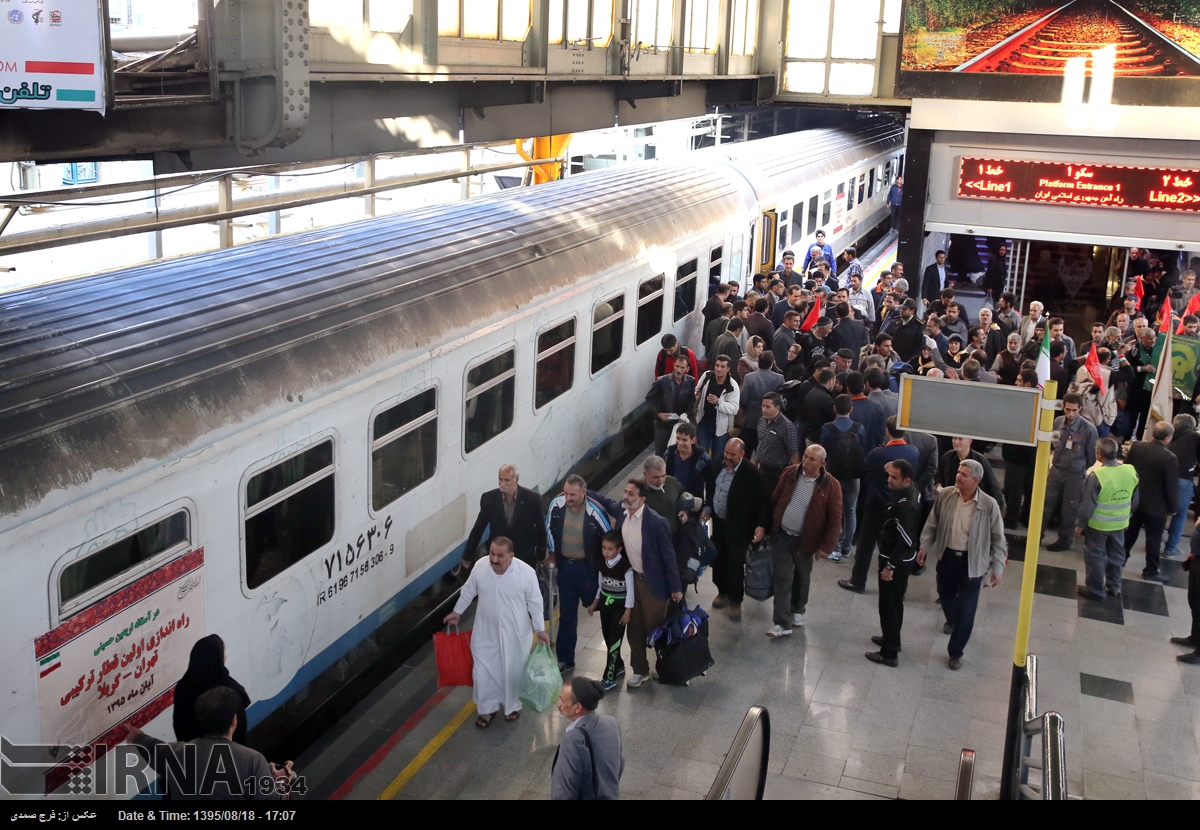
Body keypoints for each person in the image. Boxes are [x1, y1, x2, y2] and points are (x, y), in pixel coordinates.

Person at [446, 538, 548, 725]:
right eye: (492, 553)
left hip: (515, 634)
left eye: (500, 556)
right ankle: (487, 709)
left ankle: (512, 706)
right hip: (485, 631)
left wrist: (540, 629)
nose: (494, 559)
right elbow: (469, 590)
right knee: (483, 671)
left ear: (511, 556)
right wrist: (457, 611)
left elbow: (535, 602)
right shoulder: (480, 566)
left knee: (512, 671)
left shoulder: (526, 572)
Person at [126, 687, 294, 801]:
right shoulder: (252, 760)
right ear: (234, 721)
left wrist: (136, 736)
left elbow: (152, 747)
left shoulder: (175, 753)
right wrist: (280, 782)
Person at [918, 459, 1006, 670]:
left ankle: (955, 652)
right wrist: (924, 545)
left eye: (964, 475)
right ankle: (952, 620)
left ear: (975, 480)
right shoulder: (947, 495)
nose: (958, 476)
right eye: (958, 472)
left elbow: (998, 539)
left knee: (967, 611)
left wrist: (997, 568)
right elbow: (933, 522)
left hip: (973, 564)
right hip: (948, 557)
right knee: (946, 596)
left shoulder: (988, 505)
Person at [608, 479, 683, 686]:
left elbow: (669, 556)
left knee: (656, 628)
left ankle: (666, 666)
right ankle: (640, 670)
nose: (626, 496)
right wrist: (583, 493)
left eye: (631, 494)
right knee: (634, 628)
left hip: (654, 585)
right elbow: (606, 502)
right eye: (625, 492)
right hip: (633, 582)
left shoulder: (656, 522)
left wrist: (675, 588)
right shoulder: (623, 516)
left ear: (642, 499)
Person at [765, 445, 843, 637]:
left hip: (806, 541)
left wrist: (826, 547)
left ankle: (798, 610)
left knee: (802, 576)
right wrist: (768, 526)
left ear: (822, 463)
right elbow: (776, 499)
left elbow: (835, 520)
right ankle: (782, 623)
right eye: (805, 457)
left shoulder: (831, 486)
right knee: (783, 578)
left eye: (811, 459)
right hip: (783, 535)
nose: (806, 462)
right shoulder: (790, 473)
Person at [839, 417, 920, 594]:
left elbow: (863, 466)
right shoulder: (913, 451)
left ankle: (858, 581)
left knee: (866, 545)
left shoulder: (879, 453)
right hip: (899, 505)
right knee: (898, 544)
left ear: (887, 432)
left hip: (877, 504)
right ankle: (900, 586)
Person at [546, 475, 617, 672]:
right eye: (566, 493)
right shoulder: (556, 506)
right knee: (567, 615)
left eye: (572, 495)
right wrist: (552, 553)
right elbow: (549, 528)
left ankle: (615, 660)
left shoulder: (595, 512)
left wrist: (608, 567)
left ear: (583, 493)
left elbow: (609, 536)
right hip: (566, 570)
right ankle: (565, 659)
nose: (567, 498)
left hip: (588, 571)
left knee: (606, 613)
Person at [705, 438, 768, 622]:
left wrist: (761, 525)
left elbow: (763, 503)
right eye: (726, 452)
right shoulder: (719, 464)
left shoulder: (752, 474)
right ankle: (722, 592)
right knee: (718, 559)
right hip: (719, 524)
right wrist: (709, 507)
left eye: (732, 454)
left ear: (742, 454)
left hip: (739, 528)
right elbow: (711, 488)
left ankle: (735, 601)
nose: (728, 456)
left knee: (734, 564)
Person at [866, 460, 921, 667]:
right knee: (895, 603)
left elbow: (904, 540)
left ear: (906, 480)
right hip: (900, 559)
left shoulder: (906, 506)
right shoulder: (911, 490)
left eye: (893, 477)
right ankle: (892, 640)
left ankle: (888, 654)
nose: (889, 480)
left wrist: (890, 566)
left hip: (895, 561)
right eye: (889, 475)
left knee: (889, 606)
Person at [1075, 438, 1139, 601]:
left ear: (1099, 454)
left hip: (1098, 525)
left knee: (1095, 556)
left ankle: (1096, 590)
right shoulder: (1130, 470)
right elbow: (1135, 499)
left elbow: (1088, 503)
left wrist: (1080, 524)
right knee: (1117, 555)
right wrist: (1126, 514)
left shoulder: (1097, 476)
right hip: (1120, 524)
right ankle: (1114, 586)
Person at [551, 677, 624, 800]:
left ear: (578, 708)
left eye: (562, 700)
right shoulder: (611, 723)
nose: (558, 703)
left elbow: (564, 789)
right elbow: (619, 763)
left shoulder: (572, 740)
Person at [1124, 421, 1179, 582]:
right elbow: (1171, 485)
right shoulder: (1169, 458)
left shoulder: (1137, 447)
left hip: (1136, 500)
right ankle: (1151, 570)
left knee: (1130, 532)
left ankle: (1119, 559)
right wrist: (1172, 507)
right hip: (1157, 507)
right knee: (1154, 539)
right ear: (1168, 438)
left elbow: (1127, 469)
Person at [1044, 394, 1100, 551]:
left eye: (1074, 410)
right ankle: (1038, 534)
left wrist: (1079, 468)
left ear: (1080, 409)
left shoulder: (1089, 429)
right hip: (1056, 470)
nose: (1070, 414)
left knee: (1070, 509)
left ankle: (1065, 540)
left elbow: (1091, 457)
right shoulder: (1058, 422)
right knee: (1046, 504)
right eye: (1067, 409)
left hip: (1075, 475)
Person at [463, 464, 546, 568]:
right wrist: (467, 555)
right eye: (500, 479)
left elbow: (541, 529)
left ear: (516, 479)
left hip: (524, 558)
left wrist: (540, 555)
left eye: (507, 480)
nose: (502, 484)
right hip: (498, 559)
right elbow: (478, 529)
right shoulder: (489, 499)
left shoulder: (532, 499)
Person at [173, 634, 251, 745]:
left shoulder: (184, 687)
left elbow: (179, 726)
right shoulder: (229, 692)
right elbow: (240, 736)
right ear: (217, 657)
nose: (226, 656)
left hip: (192, 754)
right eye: (223, 652)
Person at [821, 394, 868, 562]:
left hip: (833, 477)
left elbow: (824, 452)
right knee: (850, 511)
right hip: (854, 476)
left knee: (833, 512)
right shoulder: (859, 428)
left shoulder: (827, 428)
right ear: (851, 409)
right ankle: (847, 547)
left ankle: (834, 549)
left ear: (835, 408)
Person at [586, 531, 634, 690]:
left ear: (619, 549)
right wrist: (595, 603)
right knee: (608, 638)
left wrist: (628, 612)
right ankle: (618, 665)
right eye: (604, 548)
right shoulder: (601, 563)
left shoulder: (625, 567)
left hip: (620, 608)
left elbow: (630, 591)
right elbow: (601, 586)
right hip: (606, 606)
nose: (606, 552)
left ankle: (609, 677)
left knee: (615, 641)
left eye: (610, 549)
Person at [1003, 369, 1041, 528]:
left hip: (1017, 455)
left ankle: (1011, 520)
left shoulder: (1019, 402)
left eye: (1019, 381)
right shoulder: (1040, 401)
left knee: (1014, 490)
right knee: (1029, 489)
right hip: (1032, 456)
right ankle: (1026, 519)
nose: (1015, 383)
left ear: (1027, 384)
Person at [647, 353, 697, 456]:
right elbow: (649, 398)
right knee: (660, 454)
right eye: (677, 366)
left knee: (676, 454)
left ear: (687, 369)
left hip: (679, 424)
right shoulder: (662, 381)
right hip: (662, 425)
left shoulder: (691, 382)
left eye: (682, 367)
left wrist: (685, 415)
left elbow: (692, 401)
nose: (678, 370)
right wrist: (658, 414)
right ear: (674, 365)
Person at [935, 436, 1004, 512]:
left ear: (970, 441)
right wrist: (938, 484)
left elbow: (993, 488)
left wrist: (994, 512)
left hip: (974, 508)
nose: (956, 442)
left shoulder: (981, 461)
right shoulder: (947, 458)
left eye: (960, 439)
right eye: (954, 438)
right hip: (951, 506)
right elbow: (939, 477)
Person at [755, 391, 800, 498]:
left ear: (777, 408)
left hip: (777, 472)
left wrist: (795, 477)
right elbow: (760, 443)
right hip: (762, 468)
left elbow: (794, 453)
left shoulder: (787, 426)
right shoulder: (761, 421)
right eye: (762, 406)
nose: (764, 409)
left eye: (768, 407)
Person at [695, 355, 740, 462]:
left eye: (723, 367)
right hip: (703, 423)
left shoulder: (732, 386)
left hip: (721, 428)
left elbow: (734, 409)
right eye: (717, 365)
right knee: (701, 456)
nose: (719, 369)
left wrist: (718, 403)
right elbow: (697, 390)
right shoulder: (707, 376)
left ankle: (714, 477)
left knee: (717, 458)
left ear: (728, 369)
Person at [739, 351, 785, 457]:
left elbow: (743, 400)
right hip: (772, 422)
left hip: (752, 420)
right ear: (771, 364)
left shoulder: (749, 378)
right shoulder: (779, 378)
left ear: (758, 362)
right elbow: (782, 400)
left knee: (747, 452)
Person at [1166, 414, 1199, 558]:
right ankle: (1170, 548)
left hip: (1164, 476)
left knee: (1161, 513)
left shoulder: (1167, 433)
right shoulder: (1194, 437)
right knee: (1180, 515)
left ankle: (1152, 545)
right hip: (1183, 478)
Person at [664, 422, 714, 511]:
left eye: (684, 440)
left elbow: (710, 484)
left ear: (693, 440)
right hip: (672, 503)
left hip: (693, 506)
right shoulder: (669, 454)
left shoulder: (702, 458)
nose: (680, 443)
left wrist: (708, 506)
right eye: (678, 438)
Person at [641, 454, 688, 538]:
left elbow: (683, 495)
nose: (661, 481)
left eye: (663, 476)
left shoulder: (672, 482)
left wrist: (684, 510)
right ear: (645, 474)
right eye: (655, 477)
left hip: (677, 538)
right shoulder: (636, 491)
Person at [800, 367, 838, 445]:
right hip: (819, 440)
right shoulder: (826, 398)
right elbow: (833, 417)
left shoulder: (811, 393)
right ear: (831, 381)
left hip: (809, 436)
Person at [890, 298, 924, 365]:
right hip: (893, 358)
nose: (901, 311)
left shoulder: (919, 326)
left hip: (908, 360)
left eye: (904, 309)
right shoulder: (895, 321)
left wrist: (912, 360)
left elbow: (919, 346)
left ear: (912, 311)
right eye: (901, 309)